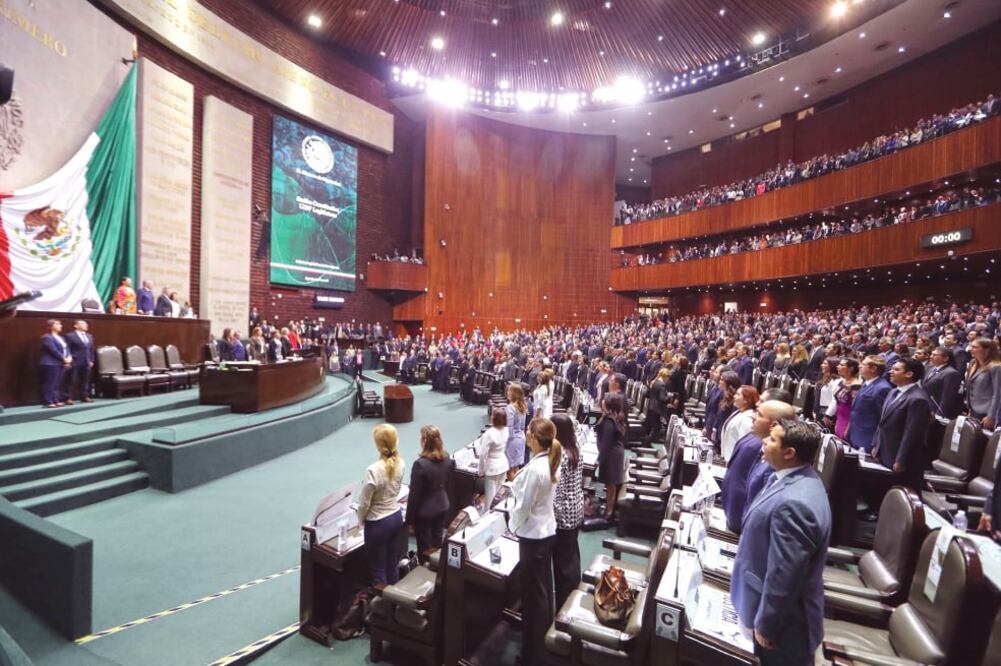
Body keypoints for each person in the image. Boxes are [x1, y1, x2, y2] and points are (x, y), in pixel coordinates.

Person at [732, 419, 831, 665]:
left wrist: (767, 624)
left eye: (773, 439)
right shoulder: (794, 479)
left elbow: (785, 575)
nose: (764, 440)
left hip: (784, 627)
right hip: (765, 606)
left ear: (789, 453)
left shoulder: (795, 504)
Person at [509, 417, 561, 666]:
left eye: (528, 431)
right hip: (546, 531)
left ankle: (534, 655)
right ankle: (538, 649)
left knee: (533, 599)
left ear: (532, 437)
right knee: (541, 593)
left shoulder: (537, 469)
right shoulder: (548, 460)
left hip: (533, 536)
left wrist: (511, 526)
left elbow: (523, 507)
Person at [721, 400, 796, 534]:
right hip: (734, 518)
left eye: (759, 414)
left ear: (773, 424)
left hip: (743, 529)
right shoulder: (760, 446)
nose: (753, 416)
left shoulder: (773, 459)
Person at [871, 359, 932, 493]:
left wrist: (901, 459)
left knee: (902, 495)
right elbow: (882, 422)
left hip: (902, 458)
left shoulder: (918, 399)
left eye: (896, 370)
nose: (890, 372)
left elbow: (912, 434)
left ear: (909, 374)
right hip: (885, 450)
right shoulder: (893, 392)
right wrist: (876, 445)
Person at [357, 424, 406, 589]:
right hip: (396, 518)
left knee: (378, 571)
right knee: (391, 564)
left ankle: (382, 611)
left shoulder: (373, 470)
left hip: (378, 524)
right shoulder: (401, 463)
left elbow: (364, 503)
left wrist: (360, 520)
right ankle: (395, 604)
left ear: (378, 445)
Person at [405, 426, 453, 564]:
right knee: (437, 542)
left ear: (425, 441)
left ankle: (425, 573)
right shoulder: (447, 458)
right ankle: (436, 569)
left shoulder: (420, 464)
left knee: (425, 548)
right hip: (442, 505)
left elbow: (414, 496)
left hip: (425, 513)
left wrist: (409, 521)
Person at [551, 413, 583, 611]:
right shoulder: (574, 450)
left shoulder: (561, 455)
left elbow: (558, 492)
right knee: (572, 557)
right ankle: (573, 594)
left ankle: (564, 605)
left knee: (563, 564)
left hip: (563, 516)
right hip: (576, 509)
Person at [848, 356, 892, 452]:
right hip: (855, 434)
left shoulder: (882, 388)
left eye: (863, 364)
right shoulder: (866, 383)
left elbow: (882, 419)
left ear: (873, 368)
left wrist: (876, 444)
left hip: (868, 439)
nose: (859, 366)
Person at [595, 393, 627, 521]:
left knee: (611, 484)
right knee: (610, 484)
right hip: (614, 452)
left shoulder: (610, 420)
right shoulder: (612, 416)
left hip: (611, 454)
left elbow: (606, 443)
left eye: (604, 400)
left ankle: (609, 512)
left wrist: (599, 459)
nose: (602, 401)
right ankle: (609, 508)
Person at [964, 337, 1001, 430]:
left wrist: (991, 416)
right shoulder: (973, 363)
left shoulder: (996, 367)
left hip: (987, 412)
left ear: (987, 350)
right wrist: (970, 409)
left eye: (975, 347)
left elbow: (997, 394)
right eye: (971, 346)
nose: (971, 349)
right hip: (973, 409)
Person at [478, 408, 511, 510]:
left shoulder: (489, 433)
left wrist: (481, 471)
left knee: (490, 496)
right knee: (499, 495)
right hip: (503, 464)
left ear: (493, 418)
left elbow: (483, 454)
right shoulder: (506, 429)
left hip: (492, 467)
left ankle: (488, 517)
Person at [824, 358, 862, 439]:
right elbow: (837, 402)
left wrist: (849, 427)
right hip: (839, 419)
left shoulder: (856, 386)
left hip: (848, 421)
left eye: (842, 365)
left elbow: (855, 409)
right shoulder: (841, 381)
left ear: (851, 369)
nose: (838, 366)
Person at [721, 385, 759, 462]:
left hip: (734, 460)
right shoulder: (738, 412)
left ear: (746, 400)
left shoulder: (748, 419)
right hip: (726, 458)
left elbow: (744, 446)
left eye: (738, 394)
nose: (734, 396)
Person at [922, 347, 962, 418]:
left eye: (935, 355)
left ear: (946, 358)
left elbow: (947, 397)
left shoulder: (951, 373)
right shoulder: (930, 368)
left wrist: (939, 414)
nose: (931, 357)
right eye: (931, 354)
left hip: (937, 411)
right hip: (927, 407)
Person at [40, 319, 71, 408]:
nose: (60, 325)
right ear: (51, 326)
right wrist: (64, 359)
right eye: (57, 324)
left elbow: (66, 349)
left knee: (57, 383)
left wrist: (69, 357)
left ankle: (56, 400)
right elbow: (53, 351)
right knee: (50, 383)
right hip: (50, 363)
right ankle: (49, 401)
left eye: (60, 324)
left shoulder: (61, 338)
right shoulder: (47, 337)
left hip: (60, 363)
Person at [65, 320, 95, 404]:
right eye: (83, 324)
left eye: (86, 324)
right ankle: (68, 397)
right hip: (74, 360)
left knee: (85, 380)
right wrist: (68, 359)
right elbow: (67, 348)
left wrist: (92, 360)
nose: (86, 325)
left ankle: (84, 396)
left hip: (87, 361)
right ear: (76, 326)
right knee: (71, 380)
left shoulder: (89, 336)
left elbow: (91, 349)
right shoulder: (70, 336)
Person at [504, 384, 529, 479]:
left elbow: (509, 428)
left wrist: (505, 441)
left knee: (510, 470)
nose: (507, 393)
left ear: (513, 394)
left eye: (509, 391)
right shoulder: (522, 406)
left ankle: (511, 492)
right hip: (521, 438)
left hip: (512, 440)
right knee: (516, 468)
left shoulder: (510, 408)